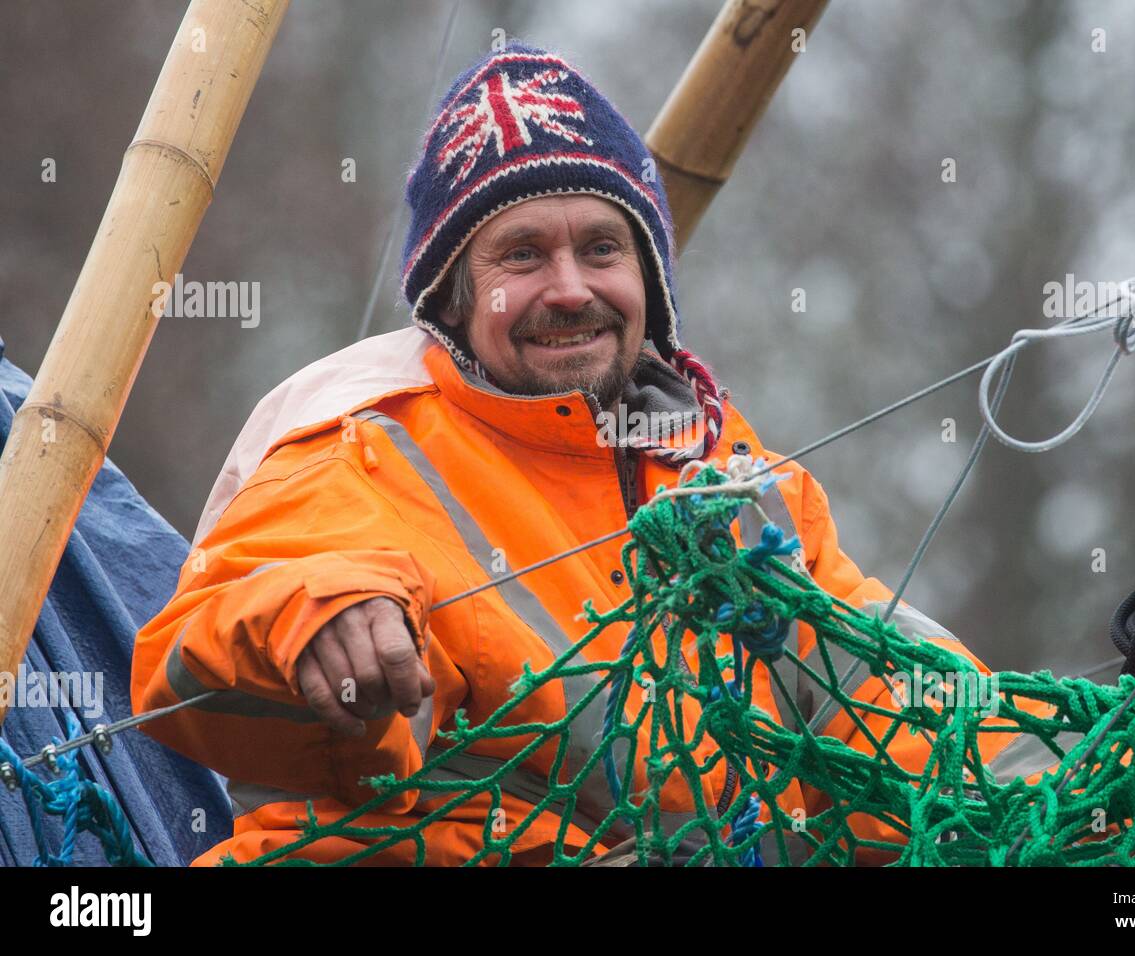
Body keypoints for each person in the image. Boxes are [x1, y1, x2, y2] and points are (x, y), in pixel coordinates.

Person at [131, 40, 1046, 866]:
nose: (570, 290)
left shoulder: (730, 475)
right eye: (521, 256)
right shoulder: (361, 445)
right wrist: (310, 619)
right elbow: (191, 665)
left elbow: (897, 704)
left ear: (647, 278)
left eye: (602, 247)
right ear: (452, 299)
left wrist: (1095, 784)